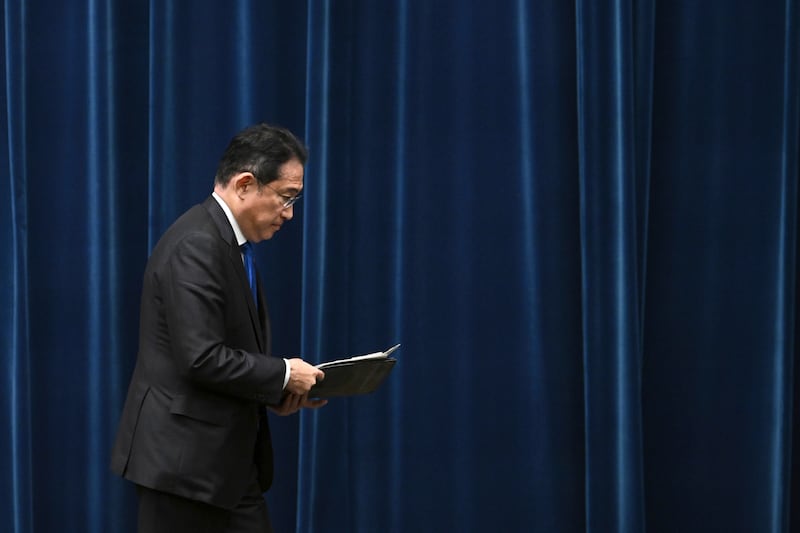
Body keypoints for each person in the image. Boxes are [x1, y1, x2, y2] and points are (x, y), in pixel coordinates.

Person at [110, 123, 326, 533]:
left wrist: (275, 391)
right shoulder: (198, 244)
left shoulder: (228, 243)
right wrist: (283, 373)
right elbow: (201, 357)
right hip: (183, 471)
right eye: (286, 198)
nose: (290, 214)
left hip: (222, 468)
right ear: (245, 184)